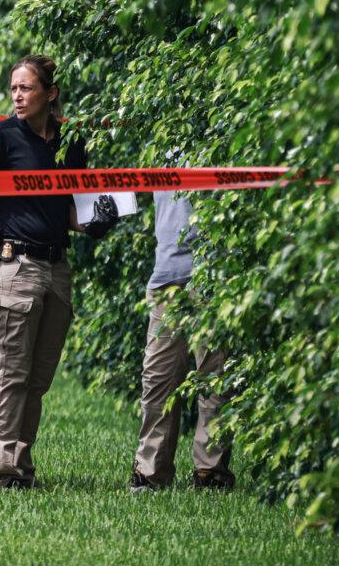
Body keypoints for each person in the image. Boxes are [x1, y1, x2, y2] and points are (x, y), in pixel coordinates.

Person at [0, 54, 118, 490]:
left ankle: (19, 465)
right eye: (13, 87)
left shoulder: (69, 143)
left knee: (38, 378)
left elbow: (67, 208)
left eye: (26, 88)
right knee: (10, 373)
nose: (16, 95)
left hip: (57, 267)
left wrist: (94, 220)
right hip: (16, 266)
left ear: (50, 94)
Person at [129, 190, 234, 492]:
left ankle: (211, 472)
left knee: (215, 379)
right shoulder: (161, 147)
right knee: (158, 379)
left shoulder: (220, 142)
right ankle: (150, 472)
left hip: (215, 275)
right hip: (166, 276)